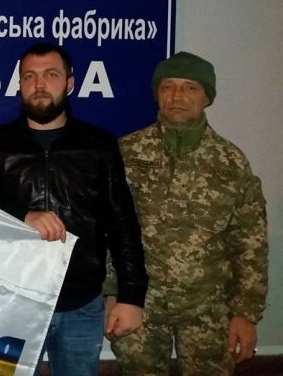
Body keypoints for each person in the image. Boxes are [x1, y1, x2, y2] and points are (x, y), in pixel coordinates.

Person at [0, 43, 148, 376]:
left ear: (69, 83)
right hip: (14, 303)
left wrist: (131, 296)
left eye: (50, 75)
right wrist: (21, 216)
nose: (39, 84)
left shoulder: (98, 145)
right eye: (29, 76)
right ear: (20, 84)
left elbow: (122, 223)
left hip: (81, 304)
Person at [106, 51, 268, 375]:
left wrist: (246, 314)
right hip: (141, 305)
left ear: (207, 97)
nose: (177, 96)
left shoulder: (231, 162)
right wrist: (112, 293)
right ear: (158, 94)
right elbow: (110, 228)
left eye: (190, 87)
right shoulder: (127, 152)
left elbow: (250, 241)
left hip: (209, 310)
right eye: (168, 86)